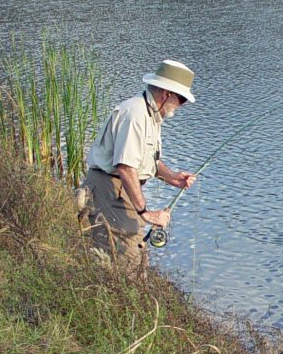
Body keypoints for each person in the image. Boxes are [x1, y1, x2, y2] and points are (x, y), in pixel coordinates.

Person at [81, 59, 198, 275]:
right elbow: (125, 167)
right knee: (122, 255)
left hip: (120, 188)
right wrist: (146, 212)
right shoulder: (136, 115)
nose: (181, 106)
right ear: (166, 94)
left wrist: (172, 177)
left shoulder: (150, 115)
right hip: (109, 189)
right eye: (181, 100)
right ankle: (111, 299)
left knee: (133, 252)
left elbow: (145, 160)